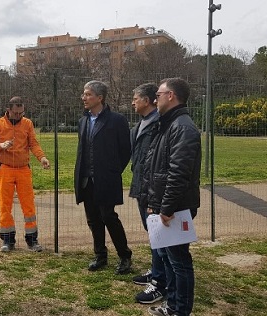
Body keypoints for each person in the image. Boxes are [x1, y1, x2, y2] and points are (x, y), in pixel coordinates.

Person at [144, 78, 201, 316]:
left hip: (176, 207)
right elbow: (157, 167)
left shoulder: (182, 127)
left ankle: (180, 310)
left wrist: (165, 208)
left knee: (179, 263)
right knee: (169, 260)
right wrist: (154, 204)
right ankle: (173, 305)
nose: (155, 99)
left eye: (158, 94)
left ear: (171, 96)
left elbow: (178, 173)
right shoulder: (168, 124)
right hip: (165, 205)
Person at [74, 80, 133, 275]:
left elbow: (125, 151)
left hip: (106, 180)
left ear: (100, 98)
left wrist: (113, 171)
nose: (84, 97)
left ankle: (124, 256)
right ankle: (100, 255)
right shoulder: (83, 121)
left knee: (108, 216)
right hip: (86, 179)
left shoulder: (117, 120)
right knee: (93, 219)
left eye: (88, 94)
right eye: (84, 94)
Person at [0, 96, 50, 252]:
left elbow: (33, 143)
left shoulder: (27, 123)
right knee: (4, 206)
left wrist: (42, 158)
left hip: (23, 169)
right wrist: (1, 145)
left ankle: (32, 240)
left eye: (21, 113)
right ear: (9, 110)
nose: (19, 116)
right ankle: (8, 241)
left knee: (29, 206)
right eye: (16, 113)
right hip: (5, 168)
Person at [128, 83, 167, 304]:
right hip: (141, 187)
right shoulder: (140, 125)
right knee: (152, 233)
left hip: (153, 190)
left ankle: (160, 283)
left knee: (159, 236)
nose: (133, 102)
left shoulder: (159, 125)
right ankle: (156, 270)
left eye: (135, 98)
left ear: (148, 100)